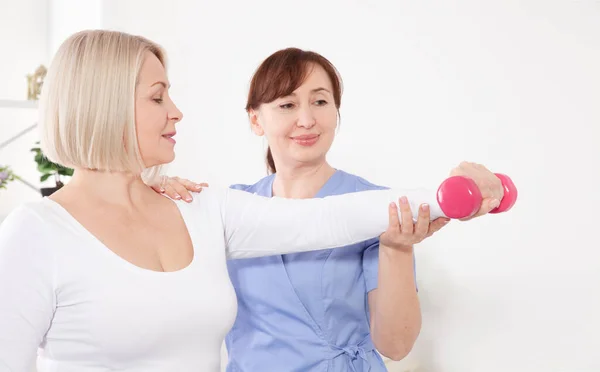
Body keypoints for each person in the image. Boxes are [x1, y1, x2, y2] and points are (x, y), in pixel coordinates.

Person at [0, 31, 504, 372]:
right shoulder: (36, 233)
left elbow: (328, 219)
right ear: (102, 104)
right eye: (157, 97)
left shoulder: (201, 208)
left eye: (320, 101)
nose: (176, 111)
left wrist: (446, 195)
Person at [159, 48, 505, 371]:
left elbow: (396, 345)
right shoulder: (231, 208)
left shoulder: (375, 208)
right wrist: (159, 195)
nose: (307, 120)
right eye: (287, 105)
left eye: (320, 101)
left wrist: (397, 247)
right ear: (255, 120)